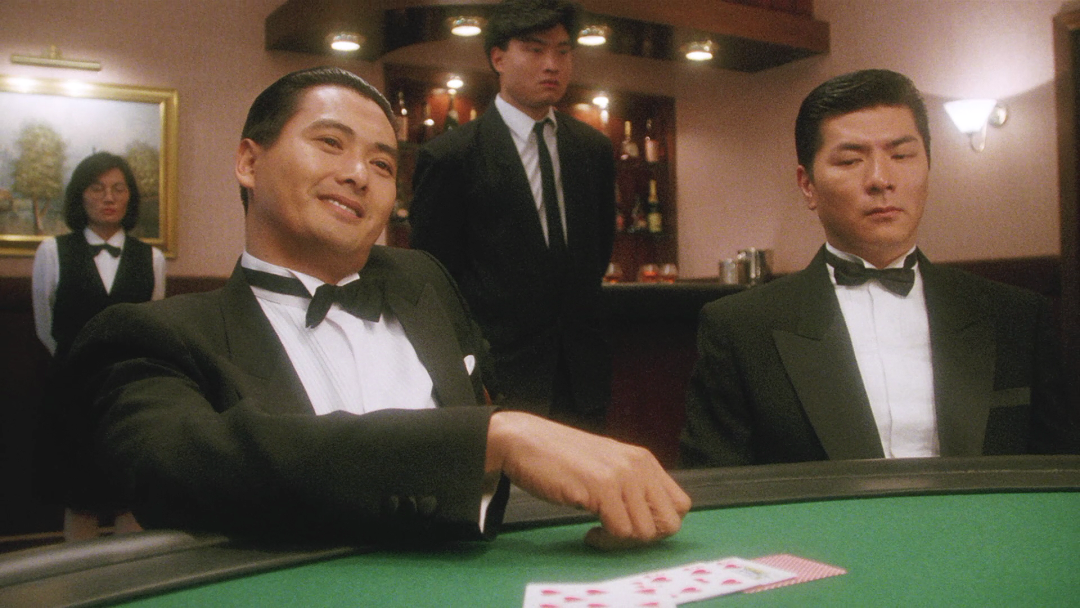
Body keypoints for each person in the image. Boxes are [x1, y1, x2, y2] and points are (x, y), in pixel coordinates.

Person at [55, 66, 689, 549]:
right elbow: (187, 473)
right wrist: (492, 439)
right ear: (248, 161)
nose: (359, 173)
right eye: (331, 143)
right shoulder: (149, 336)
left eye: (383, 164)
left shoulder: (425, 282)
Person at [680, 69, 1078, 467]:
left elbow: (1060, 477)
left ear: (928, 165)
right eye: (851, 160)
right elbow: (717, 486)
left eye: (901, 156)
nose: (881, 180)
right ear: (807, 186)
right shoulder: (741, 329)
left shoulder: (1016, 317)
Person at [409, 0, 616, 431]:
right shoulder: (451, 155)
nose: (552, 64)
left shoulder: (592, 149)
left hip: (583, 375)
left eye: (563, 52)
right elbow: (435, 279)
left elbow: (597, 252)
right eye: (535, 50)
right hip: (498, 376)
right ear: (498, 58)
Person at [32, 151, 165, 540]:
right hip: (71, 392)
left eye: (118, 189)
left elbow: (150, 327)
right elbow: (46, 327)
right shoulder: (52, 252)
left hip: (129, 395)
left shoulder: (152, 258)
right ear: (81, 195)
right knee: (80, 500)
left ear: (129, 197)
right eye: (97, 188)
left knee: (130, 498)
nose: (109, 197)